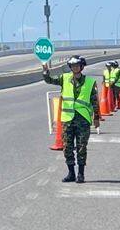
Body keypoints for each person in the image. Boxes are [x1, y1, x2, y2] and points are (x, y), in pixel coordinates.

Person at [43, 55, 100, 184]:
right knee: (67, 147)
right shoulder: (64, 79)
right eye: (73, 66)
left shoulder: (90, 82)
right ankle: (71, 173)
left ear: (81, 67)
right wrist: (45, 70)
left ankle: (81, 174)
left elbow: (95, 102)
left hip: (83, 120)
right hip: (67, 119)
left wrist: (96, 117)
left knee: (81, 147)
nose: (75, 68)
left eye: (77, 65)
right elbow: (49, 80)